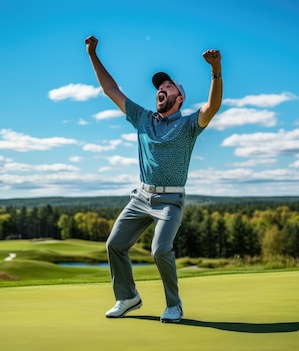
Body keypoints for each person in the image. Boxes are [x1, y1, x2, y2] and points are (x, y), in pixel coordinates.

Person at [85, 35, 222, 323]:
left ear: (179, 98)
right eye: (159, 87)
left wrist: (216, 70)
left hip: (170, 200)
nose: (161, 88)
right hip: (141, 198)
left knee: (160, 249)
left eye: (168, 86)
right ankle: (127, 297)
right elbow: (111, 89)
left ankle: (174, 305)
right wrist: (92, 54)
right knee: (114, 245)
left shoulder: (188, 125)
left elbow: (212, 106)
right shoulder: (143, 118)